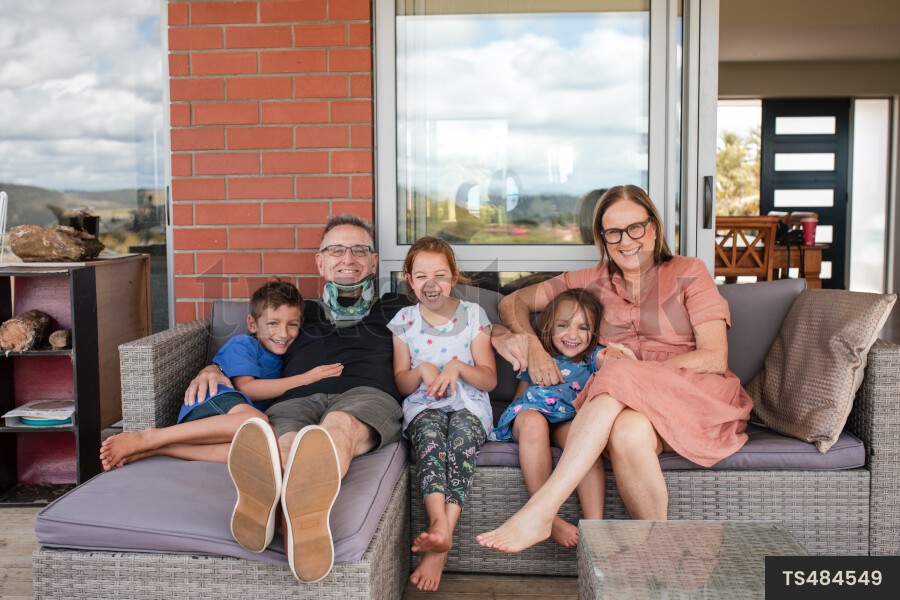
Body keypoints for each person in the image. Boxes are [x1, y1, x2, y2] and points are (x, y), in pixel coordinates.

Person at [478, 184, 753, 553]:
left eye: (635, 227)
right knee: (626, 432)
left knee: (616, 371)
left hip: (693, 396)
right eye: (613, 232)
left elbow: (714, 357)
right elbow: (513, 302)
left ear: (654, 227)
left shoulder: (690, 272)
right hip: (626, 409)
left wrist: (636, 374)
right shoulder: (591, 280)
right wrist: (534, 348)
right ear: (602, 238)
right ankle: (658, 553)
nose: (626, 241)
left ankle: (541, 511)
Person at [183, 214, 406, 583]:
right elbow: (253, 344)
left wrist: (502, 333)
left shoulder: (397, 306)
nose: (347, 258)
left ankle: (283, 515)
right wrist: (212, 367)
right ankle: (294, 519)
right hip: (295, 399)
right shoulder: (299, 312)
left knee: (337, 427)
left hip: (366, 394)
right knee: (283, 446)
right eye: (336, 250)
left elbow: (456, 318)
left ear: (374, 261)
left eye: (359, 250)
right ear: (320, 261)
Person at [98, 280, 341, 469]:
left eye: (292, 324)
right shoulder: (245, 344)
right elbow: (247, 388)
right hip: (214, 402)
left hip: (229, 425)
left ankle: (159, 448)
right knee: (256, 423)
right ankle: (151, 436)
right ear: (253, 324)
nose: (283, 333)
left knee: (257, 449)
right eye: (273, 323)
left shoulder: (287, 356)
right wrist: (306, 378)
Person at [388, 236, 497, 592]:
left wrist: (457, 366)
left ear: (454, 276)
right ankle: (439, 522)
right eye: (421, 276)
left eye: (440, 275)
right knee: (430, 441)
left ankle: (440, 542)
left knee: (461, 440)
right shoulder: (403, 321)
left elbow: (489, 379)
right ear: (409, 279)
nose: (430, 284)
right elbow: (403, 383)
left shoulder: (473, 315)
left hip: (469, 404)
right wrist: (421, 370)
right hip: (424, 405)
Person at [491, 288, 631, 548]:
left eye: (583, 327)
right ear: (549, 326)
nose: (572, 335)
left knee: (583, 444)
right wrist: (508, 422)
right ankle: (547, 517)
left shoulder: (591, 358)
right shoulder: (539, 356)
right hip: (532, 414)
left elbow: (607, 359)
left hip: (569, 419)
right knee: (532, 423)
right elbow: (521, 397)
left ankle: (594, 526)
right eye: (563, 325)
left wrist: (613, 355)